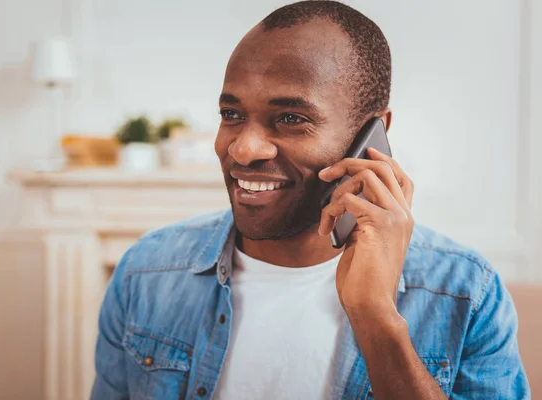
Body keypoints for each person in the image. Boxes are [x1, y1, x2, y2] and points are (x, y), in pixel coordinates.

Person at [91, 1, 530, 399]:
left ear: (371, 135)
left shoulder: (466, 294)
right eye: (232, 115)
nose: (244, 149)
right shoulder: (145, 273)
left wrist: (375, 316)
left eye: (290, 119)